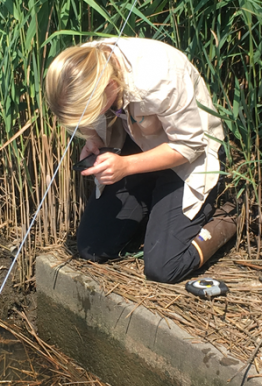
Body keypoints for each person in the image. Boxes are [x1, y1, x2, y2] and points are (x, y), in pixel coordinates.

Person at [44, 37, 235, 284]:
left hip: (185, 153)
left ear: (112, 87)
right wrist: (93, 140)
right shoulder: (81, 66)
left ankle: (229, 216)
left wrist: (126, 166)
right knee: (93, 249)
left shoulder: (161, 77)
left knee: (164, 267)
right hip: (138, 141)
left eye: (93, 110)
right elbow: (89, 117)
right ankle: (157, 213)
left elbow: (190, 145)